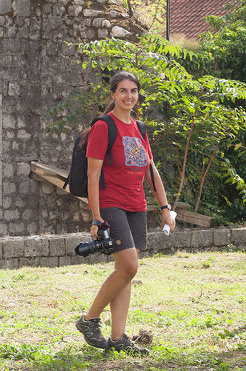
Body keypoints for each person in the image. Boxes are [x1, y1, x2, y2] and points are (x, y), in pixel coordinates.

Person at [75, 71, 176, 356]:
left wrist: (165, 207)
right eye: (122, 91)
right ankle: (89, 319)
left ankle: (118, 338)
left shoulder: (140, 128)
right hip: (111, 204)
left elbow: (150, 171)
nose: (128, 96)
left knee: (125, 272)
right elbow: (93, 176)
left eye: (133, 91)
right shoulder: (103, 127)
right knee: (130, 266)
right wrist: (96, 218)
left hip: (136, 205)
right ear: (113, 95)